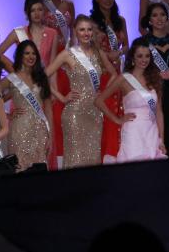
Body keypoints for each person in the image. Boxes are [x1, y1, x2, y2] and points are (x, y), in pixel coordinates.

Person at [45, 15, 116, 168]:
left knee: (93, 159)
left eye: (89, 29)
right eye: (82, 30)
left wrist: (103, 94)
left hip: (95, 113)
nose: (86, 33)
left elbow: (114, 74)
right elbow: (42, 77)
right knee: (75, 160)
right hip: (74, 114)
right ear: (75, 32)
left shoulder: (98, 53)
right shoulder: (67, 54)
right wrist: (61, 97)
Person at [94, 38, 165, 163]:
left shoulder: (154, 78)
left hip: (151, 132)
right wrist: (118, 119)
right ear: (133, 58)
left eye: (147, 56)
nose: (144, 60)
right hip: (133, 132)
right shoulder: (124, 79)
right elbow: (99, 101)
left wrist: (161, 140)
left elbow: (159, 111)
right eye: (140, 56)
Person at [38, 0, 76, 166]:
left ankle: (67, 150)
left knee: (67, 104)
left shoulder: (69, 3)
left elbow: (73, 31)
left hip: (65, 56)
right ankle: (52, 150)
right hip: (48, 56)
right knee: (52, 101)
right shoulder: (41, 4)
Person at [90, 0, 129, 164]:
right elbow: (92, 48)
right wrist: (107, 56)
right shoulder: (92, 23)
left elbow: (127, 46)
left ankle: (116, 154)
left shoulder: (120, 21)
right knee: (102, 110)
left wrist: (118, 53)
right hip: (102, 71)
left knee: (117, 108)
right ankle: (102, 155)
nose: (108, 0)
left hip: (117, 70)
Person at [140, 2, 169, 156]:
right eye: (155, 15)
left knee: (166, 128)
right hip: (150, 88)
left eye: (163, 14)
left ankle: (168, 159)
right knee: (151, 126)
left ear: (167, 18)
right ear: (150, 20)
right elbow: (137, 69)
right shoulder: (142, 42)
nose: (159, 18)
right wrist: (156, 75)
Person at [1, 40, 52, 170]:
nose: (31, 56)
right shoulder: (12, 78)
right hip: (19, 130)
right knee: (19, 169)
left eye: (34, 53)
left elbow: (48, 108)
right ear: (20, 56)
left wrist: (50, 135)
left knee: (39, 170)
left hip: (40, 131)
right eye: (27, 53)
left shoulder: (41, 77)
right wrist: (7, 114)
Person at [0, 0, 60, 68]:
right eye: (33, 10)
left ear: (44, 11)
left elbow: (53, 66)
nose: (37, 13)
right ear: (27, 13)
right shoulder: (19, 32)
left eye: (40, 9)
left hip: (43, 78)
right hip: (23, 79)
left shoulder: (52, 33)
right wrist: (14, 71)